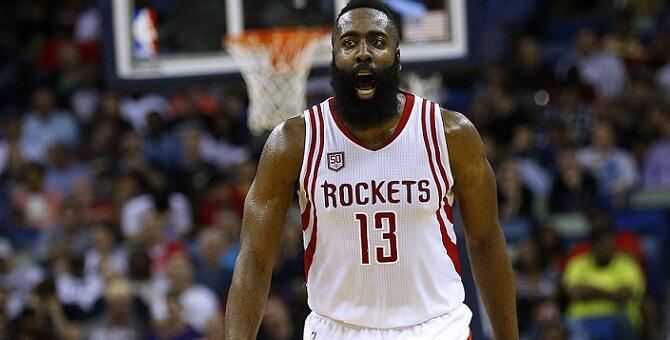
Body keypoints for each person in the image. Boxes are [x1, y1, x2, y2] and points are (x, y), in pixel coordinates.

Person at [224, 1, 518, 339]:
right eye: (349, 43)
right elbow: (255, 259)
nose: (363, 52)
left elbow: (486, 241)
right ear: (334, 56)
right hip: (338, 330)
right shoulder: (295, 142)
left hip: (437, 328)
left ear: (396, 54)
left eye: (377, 41)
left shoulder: (449, 134)